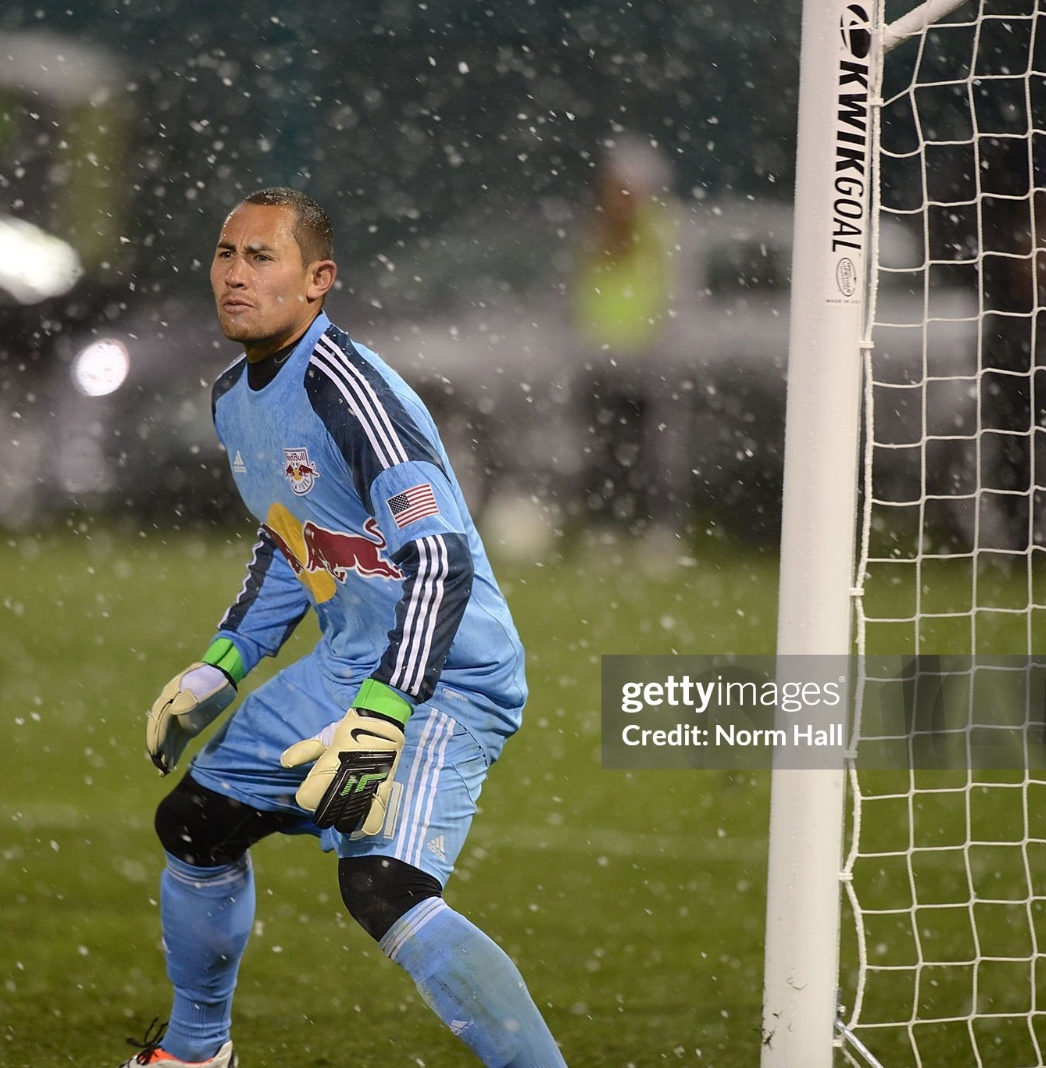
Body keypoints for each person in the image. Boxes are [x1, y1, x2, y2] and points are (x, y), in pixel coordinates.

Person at [117, 188, 566, 1068]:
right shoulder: (234, 398)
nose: (234, 276)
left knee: (382, 885)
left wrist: (382, 715)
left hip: (446, 677)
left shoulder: (350, 391)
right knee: (195, 826)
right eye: (224, 254)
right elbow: (292, 539)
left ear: (318, 281)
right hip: (345, 664)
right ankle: (198, 1053)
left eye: (261, 258)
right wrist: (224, 661)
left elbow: (440, 559)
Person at [571, 135, 690, 532]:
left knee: (652, 452)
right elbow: (583, 293)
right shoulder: (597, 230)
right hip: (601, 360)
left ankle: (657, 527)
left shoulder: (662, 230)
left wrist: (657, 345)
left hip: (649, 363)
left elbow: (672, 294)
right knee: (604, 450)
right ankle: (606, 526)